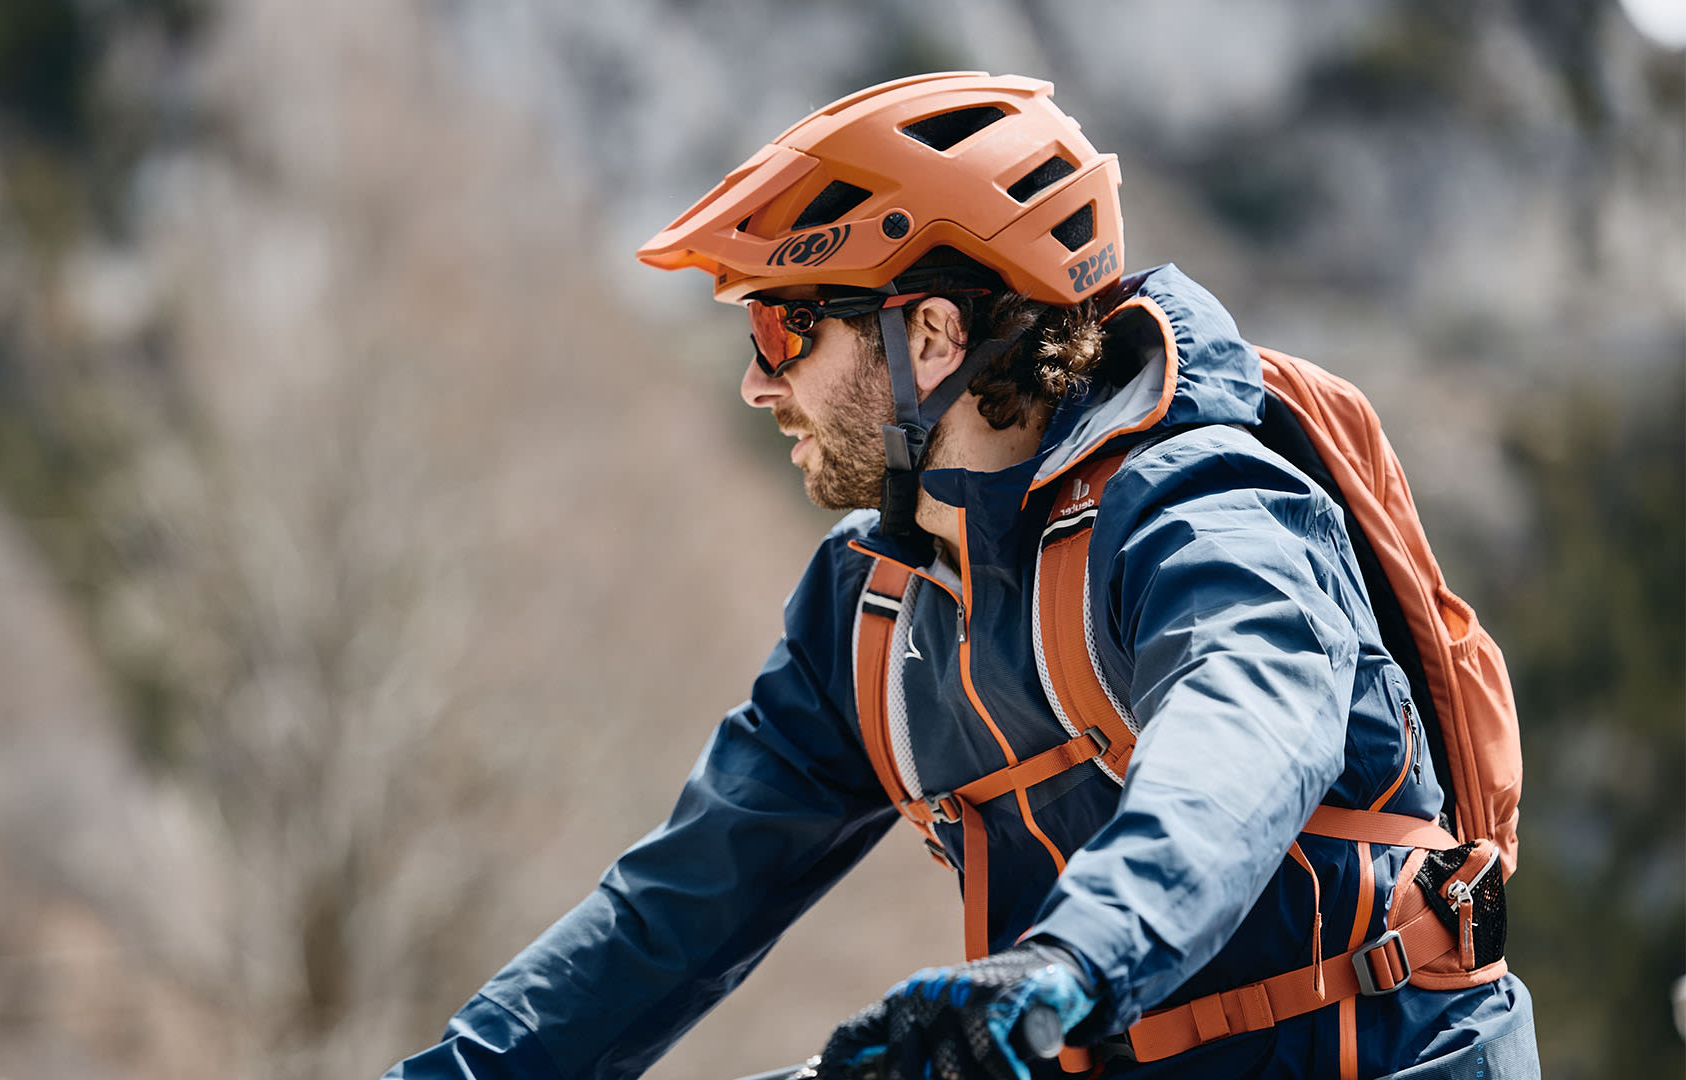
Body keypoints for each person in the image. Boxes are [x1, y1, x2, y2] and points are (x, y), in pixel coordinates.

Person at [386, 72, 1537, 1079]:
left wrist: (1070, 959)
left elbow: (1246, 738)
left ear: (930, 335)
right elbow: (672, 915)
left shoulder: (1205, 506)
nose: (755, 385)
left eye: (785, 334)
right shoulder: (872, 607)